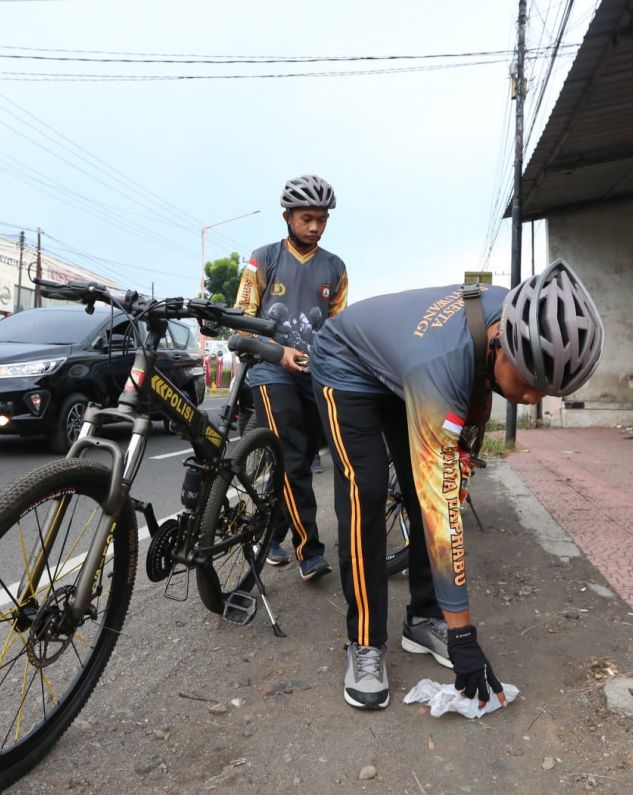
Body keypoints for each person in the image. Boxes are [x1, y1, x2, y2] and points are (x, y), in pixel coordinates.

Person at [309, 261, 604, 709]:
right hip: (346, 367)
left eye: (547, 392)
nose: (531, 399)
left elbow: (449, 481)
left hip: (406, 365)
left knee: (420, 487)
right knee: (365, 493)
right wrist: (466, 636)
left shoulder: (519, 316)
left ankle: (424, 619)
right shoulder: (443, 365)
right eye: (530, 382)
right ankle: (366, 642)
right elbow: (441, 506)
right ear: (500, 345)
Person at [234, 174, 348, 581]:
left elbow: (337, 329)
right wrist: (278, 352)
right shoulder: (262, 259)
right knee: (296, 455)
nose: (314, 226)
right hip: (268, 370)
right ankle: (310, 551)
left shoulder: (335, 268)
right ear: (287, 216)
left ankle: (271, 530)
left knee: (303, 455)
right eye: (306, 218)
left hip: (314, 375)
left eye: (321, 219)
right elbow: (243, 321)